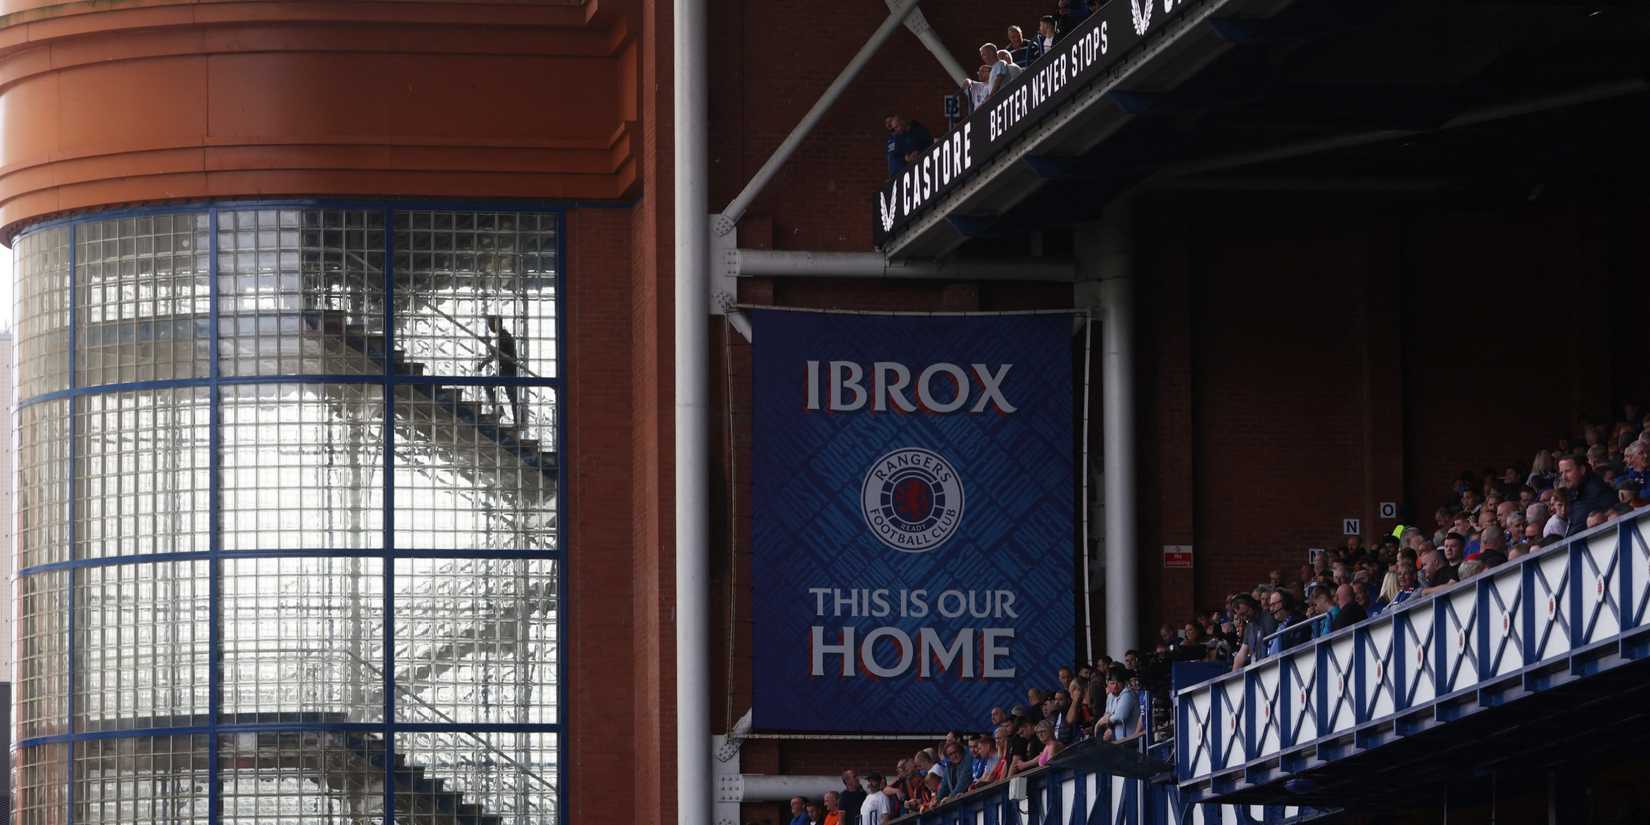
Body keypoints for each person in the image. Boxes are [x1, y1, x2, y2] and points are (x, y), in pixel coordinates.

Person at [477, 315, 524, 427]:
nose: (489, 326)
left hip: (508, 370)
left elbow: (498, 355)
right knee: (512, 396)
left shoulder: (503, 337)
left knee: (510, 395)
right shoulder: (502, 336)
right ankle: (518, 419)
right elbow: (498, 354)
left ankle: (506, 413)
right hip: (507, 370)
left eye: (490, 324)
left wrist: (488, 346)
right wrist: (484, 362)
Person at [1559, 455, 1615, 535]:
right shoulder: (1572, 492)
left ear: (1582, 470)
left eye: (1568, 471)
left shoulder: (1597, 489)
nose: (1564, 477)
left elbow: (1613, 514)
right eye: (1561, 473)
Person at [1095, 667, 1138, 742]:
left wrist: (1099, 723)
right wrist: (1109, 728)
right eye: (1112, 683)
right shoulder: (1111, 696)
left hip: (1131, 742)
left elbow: (1121, 716)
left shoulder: (1127, 693)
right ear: (1107, 683)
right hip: (1119, 743)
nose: (1115, 686)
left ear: (1123, 682)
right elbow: (1107, 714)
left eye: (1118, 683)